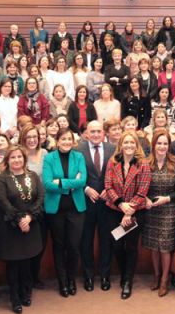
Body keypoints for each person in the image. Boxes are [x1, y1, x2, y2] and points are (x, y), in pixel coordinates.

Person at [0, 146, 45, 314]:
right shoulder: (2, 179)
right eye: (13, 157)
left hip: (31, 225)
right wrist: (20, 219)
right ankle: (15, 298)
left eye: (19, 157)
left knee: (28, 262)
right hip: (10, 228)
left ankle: (26, 293)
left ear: (24, 159)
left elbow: (40, 198)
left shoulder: (33, 176)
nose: (16, 160)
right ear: (7, 160)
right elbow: (4, 203)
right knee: (14, 265)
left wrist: (29, 217)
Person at [102, 130, 151, 299]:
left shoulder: (143, 164)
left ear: (136, 145)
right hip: (115, 211)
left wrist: (129, 211)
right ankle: (124, 273)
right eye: (126, 142)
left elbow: (143, 190)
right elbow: (108, 186)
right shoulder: (112, 162)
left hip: (136, 213)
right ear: (120, 145)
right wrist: (122, 205)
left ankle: (128, 281)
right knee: (116, 245)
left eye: (132, 143)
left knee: (130, 247)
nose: (129, 145)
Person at [43, 128, 88, 297]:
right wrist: (71, 183)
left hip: (76, 210)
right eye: (63, 139)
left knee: (74, 246)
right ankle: (62, 282)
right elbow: (47, 184)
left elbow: (82, 181)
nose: (67, 142)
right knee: (59, 246)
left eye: (69, 139)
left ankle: (71, 280)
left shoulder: (79, 157)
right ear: (57, 140)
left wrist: (60, 182)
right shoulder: (49, 158)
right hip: (56, 210)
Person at [142, 129, 175, 296]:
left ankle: (164, 280)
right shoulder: (145, 163)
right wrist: (145, 198)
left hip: (169, 208)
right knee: (154, 246)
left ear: (169, 145)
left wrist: (167, 198)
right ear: (153, 145)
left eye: (165, 143)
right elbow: (139, 185)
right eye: (159, 143)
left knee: (165, 247)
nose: (162, 146)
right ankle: (156, 275)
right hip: (151, 209)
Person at [76, 121, 116, 291]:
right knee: (86, 241)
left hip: (108, 203)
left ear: (103, 133)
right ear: (86, 133)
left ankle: (105, 276)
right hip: (86, 202)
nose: (96, 134)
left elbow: (117, 173)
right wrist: (85, 189)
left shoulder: (113, 149)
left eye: (99, 131)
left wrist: (110, 189)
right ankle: (89, 276)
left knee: (107, 240)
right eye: (92, 131)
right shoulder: (78, 150)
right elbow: (72, 174)